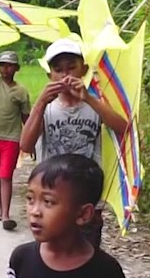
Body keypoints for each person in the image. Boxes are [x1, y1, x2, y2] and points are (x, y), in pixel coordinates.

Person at [19, 38, 128, 250]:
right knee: (52, 253)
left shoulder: (95, 106)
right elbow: (25, 144)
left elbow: (123, 129)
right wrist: (41, 102)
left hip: (85, 194)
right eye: (58, 70)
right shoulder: (47, 108)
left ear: (83, 70)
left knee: (87, 254)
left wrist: (89, 98)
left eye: (71, 68)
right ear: (50, 75)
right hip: (52, 196)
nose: (65, 75)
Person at [0, 13, 32, 230]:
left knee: (5, 176)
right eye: (2, 65)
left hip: (11, 139)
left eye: (9, 65)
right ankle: (1, 209)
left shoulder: (21, 91)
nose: (5, 69)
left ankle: (6, 215)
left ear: (16, 68)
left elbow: (27, 118)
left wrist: (29, 143)